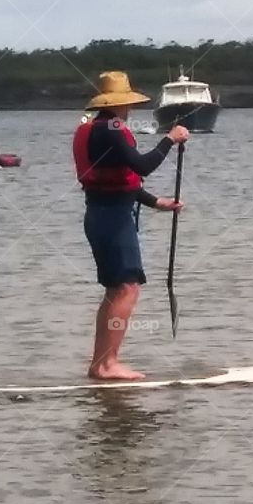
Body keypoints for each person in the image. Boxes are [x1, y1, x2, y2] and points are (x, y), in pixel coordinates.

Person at [73, 71, 189, 381]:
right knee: (127, 288)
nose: (129, 109)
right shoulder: (110, 130)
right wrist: (170, 138)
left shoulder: (98, 128)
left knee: (117, 289)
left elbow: (121, 181)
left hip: (103, 215)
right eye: (127, 104)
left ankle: (101, 364)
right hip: (111, 218)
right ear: (120, 103)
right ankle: (107, 365)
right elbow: (142, 166)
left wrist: (156, 202)